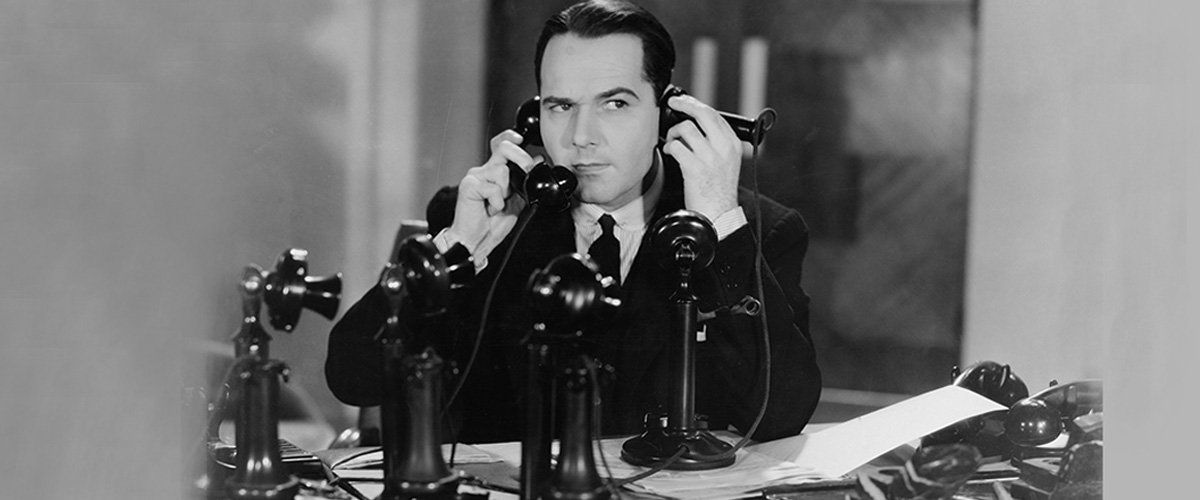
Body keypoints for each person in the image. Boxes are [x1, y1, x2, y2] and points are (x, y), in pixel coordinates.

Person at [326, 0, 820, 444]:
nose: (582, 137)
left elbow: (780, 415)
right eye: (560, 106)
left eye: (615, 103)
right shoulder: (488, 221)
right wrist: (459, 250)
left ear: (664, 115)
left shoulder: (752, 230)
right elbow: (353, 376)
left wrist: (718, 223)